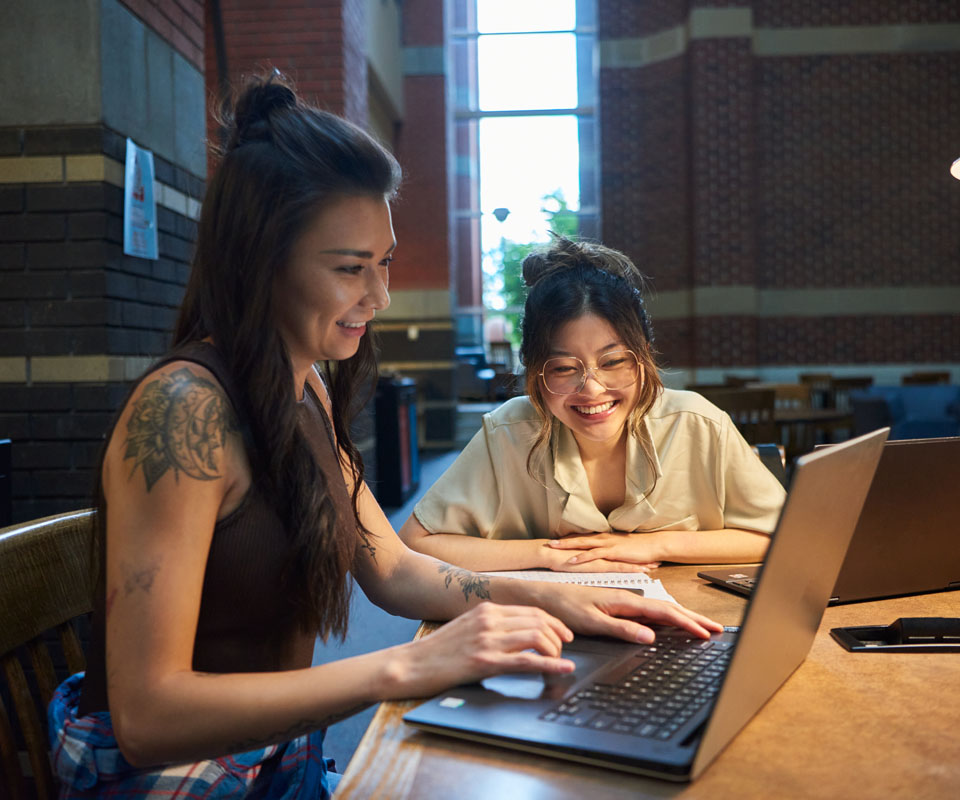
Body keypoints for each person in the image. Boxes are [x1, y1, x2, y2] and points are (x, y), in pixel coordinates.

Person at [48, 75, 721, 799]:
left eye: (385, 263)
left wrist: (565, 596)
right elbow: (149, 717)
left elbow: (394, 570)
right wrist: (408, 668)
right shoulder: (185, 411)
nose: (380, 297)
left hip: (273, 759)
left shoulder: (302, 384)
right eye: (350, 269)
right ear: (259, 260)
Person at [400, 236, 787, 573]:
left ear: (645, 356)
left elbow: (784, 537)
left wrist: (654, 544)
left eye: (614, 362)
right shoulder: (509, 432)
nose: (592, 388)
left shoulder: (697, 423)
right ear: (533, 371)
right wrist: (552, 554)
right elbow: (416, 542)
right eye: (564, 368)